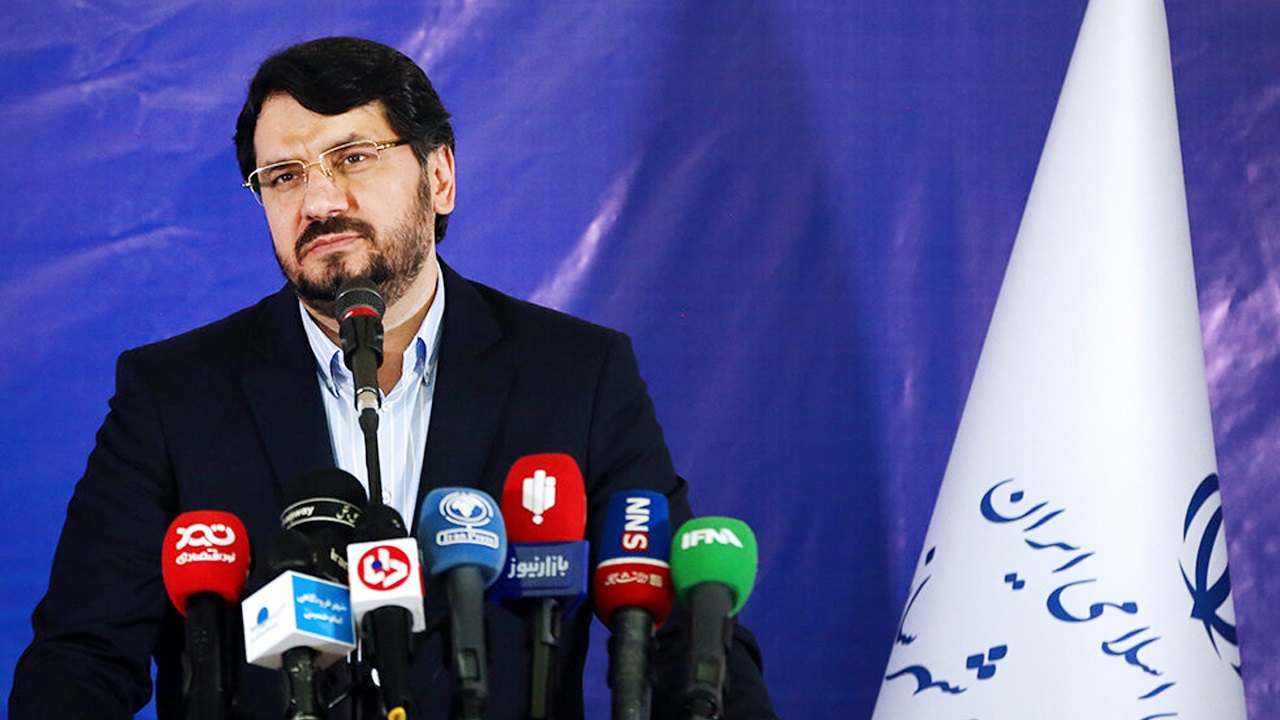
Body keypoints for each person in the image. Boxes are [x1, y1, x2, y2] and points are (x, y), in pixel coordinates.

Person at [10, 37, 777, 719]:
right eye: (282, 175)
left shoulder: (577, 374)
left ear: (439, 177)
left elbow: (686, 634)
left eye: (353, 157)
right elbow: (82, 659)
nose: (318, 200)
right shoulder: (173, 393)